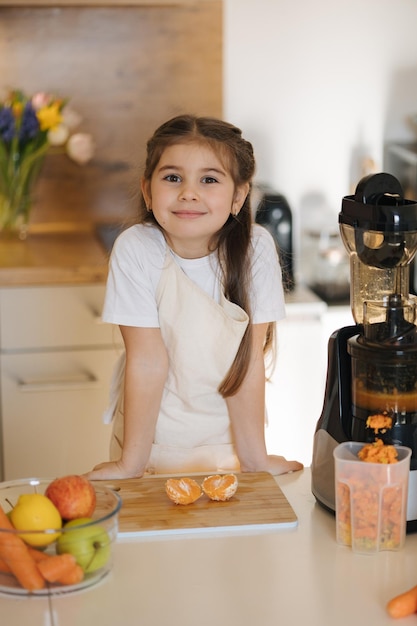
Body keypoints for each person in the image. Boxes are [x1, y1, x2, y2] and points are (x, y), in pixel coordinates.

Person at [87, 114, 303, 480]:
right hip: (150, 445)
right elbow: (147, 361)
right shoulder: (136, 249)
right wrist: (130, 465)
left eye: (209, 179)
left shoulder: (257, 250)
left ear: (239, 196)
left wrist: (255, 460)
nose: (189, 192)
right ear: (147, 191)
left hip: (229, 445)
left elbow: (247, 362)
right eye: (173, 178)